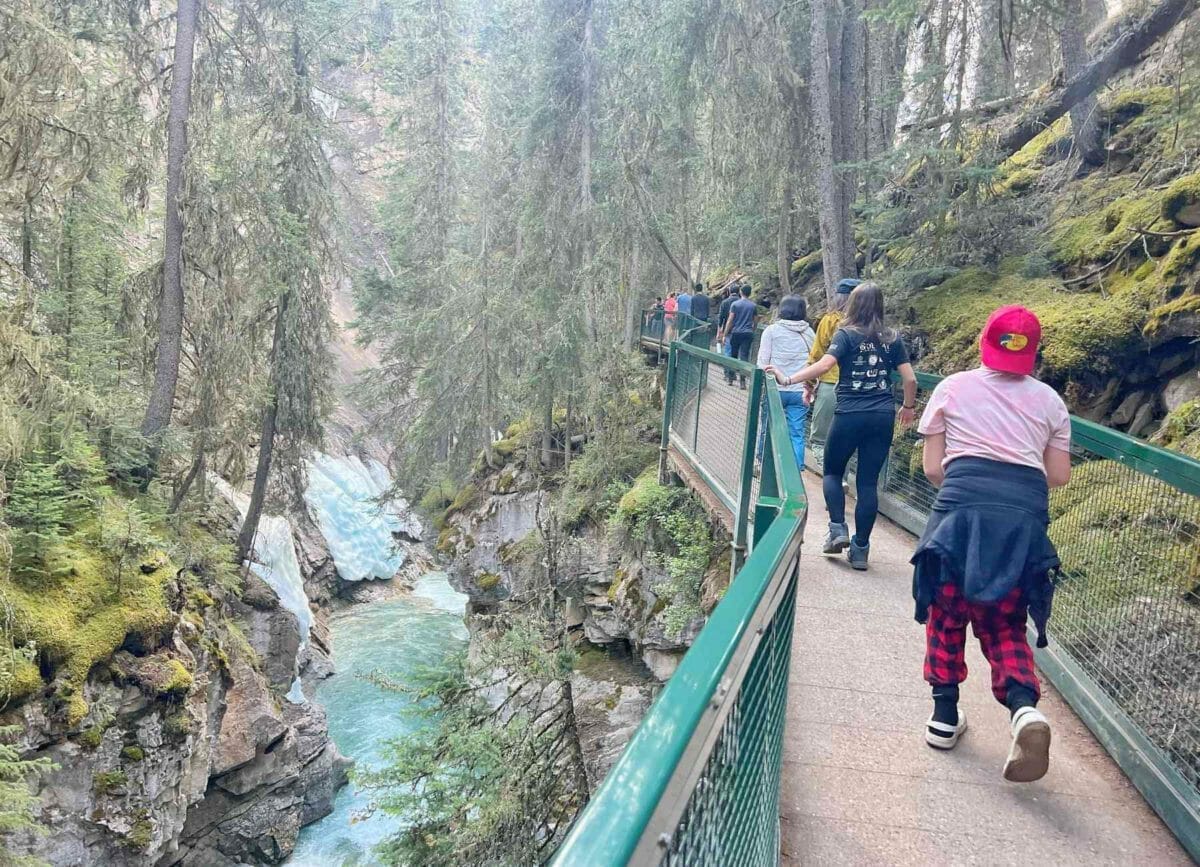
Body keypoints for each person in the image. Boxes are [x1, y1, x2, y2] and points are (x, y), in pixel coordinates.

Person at [912, 305, 1070, 783]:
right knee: (1004, 622)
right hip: (1021, 523)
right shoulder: (1050, 402)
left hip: (959, 513)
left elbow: (934, 469)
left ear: (984, 341)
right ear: (1032, 354)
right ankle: (1023, 709)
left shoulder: (952, 388)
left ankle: (944, 716)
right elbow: (1058, 475)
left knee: (947, 611)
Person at [765, 282, 916, 570]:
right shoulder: (893, 338)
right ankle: (860, 550)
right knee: (868, 482)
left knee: (833, 472)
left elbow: (823, 366)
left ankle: (837, 528)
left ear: (853, 305)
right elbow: (909, 379)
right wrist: (907, 408)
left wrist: (788, 380)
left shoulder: (846, 334)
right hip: (883, 414)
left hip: (850, 412)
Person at [756, 295, 816, 467]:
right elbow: (815, 362)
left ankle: (762, 464)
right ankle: (796, 470)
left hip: (774, 389)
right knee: (797, 433)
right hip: (800, 391)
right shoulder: (810, 333)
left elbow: (762, 362)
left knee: (768, 427)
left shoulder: (771, 331)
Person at [808, 278, 860, 456]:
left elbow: (817, 354)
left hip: (831, 384)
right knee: (849, 438)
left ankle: (832, 477)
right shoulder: (871, 324)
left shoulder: (830, 320)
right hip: (860, 388)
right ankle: (841, 477)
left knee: (820, 439)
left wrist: (808, 384)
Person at [723, 284, 758, 388]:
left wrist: (725, 334)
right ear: (750, 293)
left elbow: (730, 320)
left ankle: (730, 379)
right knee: (744, 356)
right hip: (747, 333)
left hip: (736, 333)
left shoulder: (735, 304)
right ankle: (743, 382)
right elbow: (755, 320)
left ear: (741, 292)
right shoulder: (753, 306)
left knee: (733, 355)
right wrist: (753, 330)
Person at [716, 286, 738, 359]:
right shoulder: (741, 302)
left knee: (728, 350)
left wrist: (719, 331)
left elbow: (721, 318)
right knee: (736, 351)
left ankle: (727, 369)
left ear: (729, 292)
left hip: (728, 330)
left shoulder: (725, 302)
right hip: (739, 330)